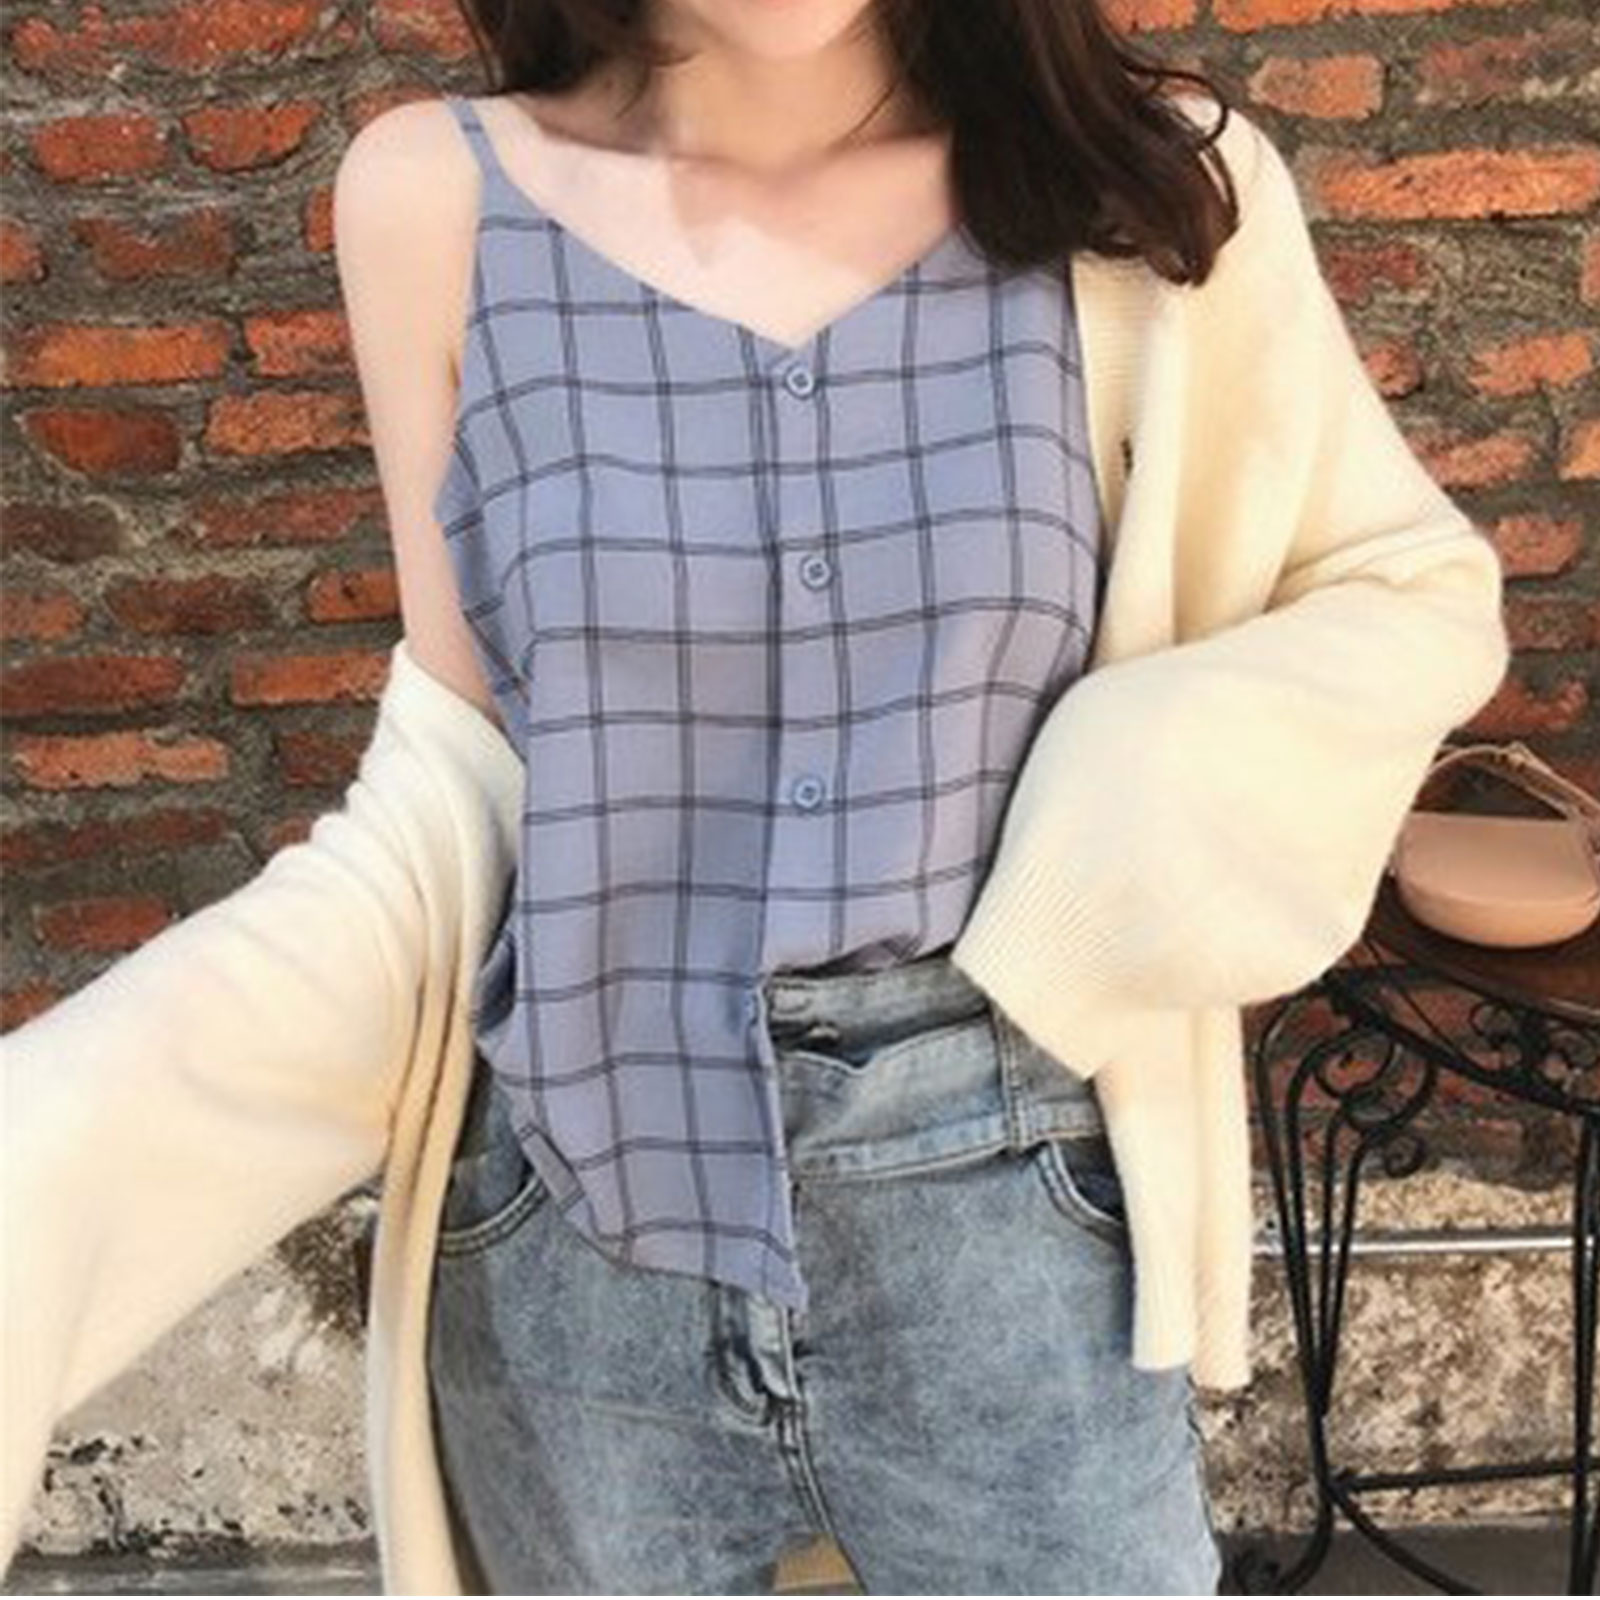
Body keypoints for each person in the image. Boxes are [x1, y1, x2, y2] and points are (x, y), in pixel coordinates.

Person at [2, 0, 1510, 1590]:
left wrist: (1100, 845)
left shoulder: (1138, 191)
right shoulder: (433, 201)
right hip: (579, 1246)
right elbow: (457, 783)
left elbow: (1406, 594)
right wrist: (54, 1142)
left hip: (1004, 1220)